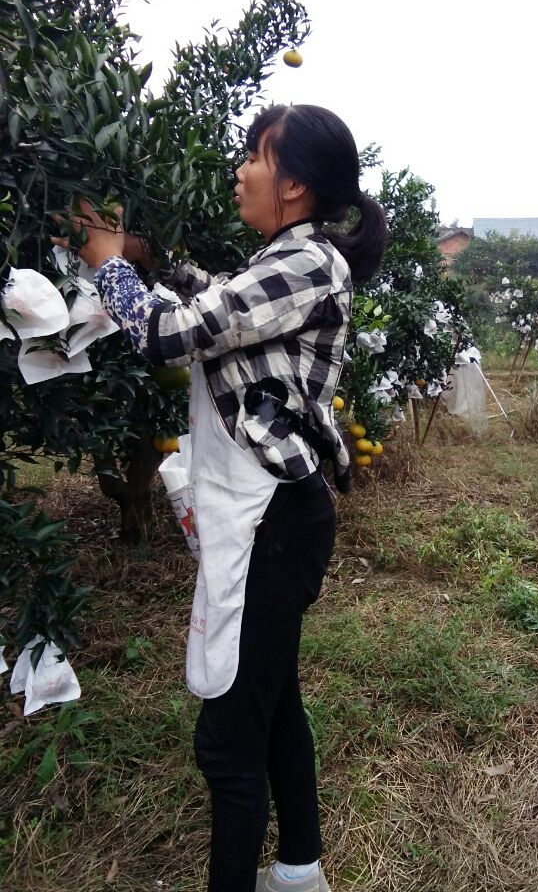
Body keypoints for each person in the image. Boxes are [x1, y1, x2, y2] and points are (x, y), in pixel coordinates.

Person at [66, 104, 388, 892]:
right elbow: (221, 299)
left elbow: (175, 335)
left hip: (272, 522)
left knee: (228, 741)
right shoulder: (285, 258)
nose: (240, 170)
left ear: (295, 184)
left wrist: (110, 265)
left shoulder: (307, 263)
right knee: (272, 704)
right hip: (275, 515)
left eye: (255, 156)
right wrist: (151, 259)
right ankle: (299, 871)